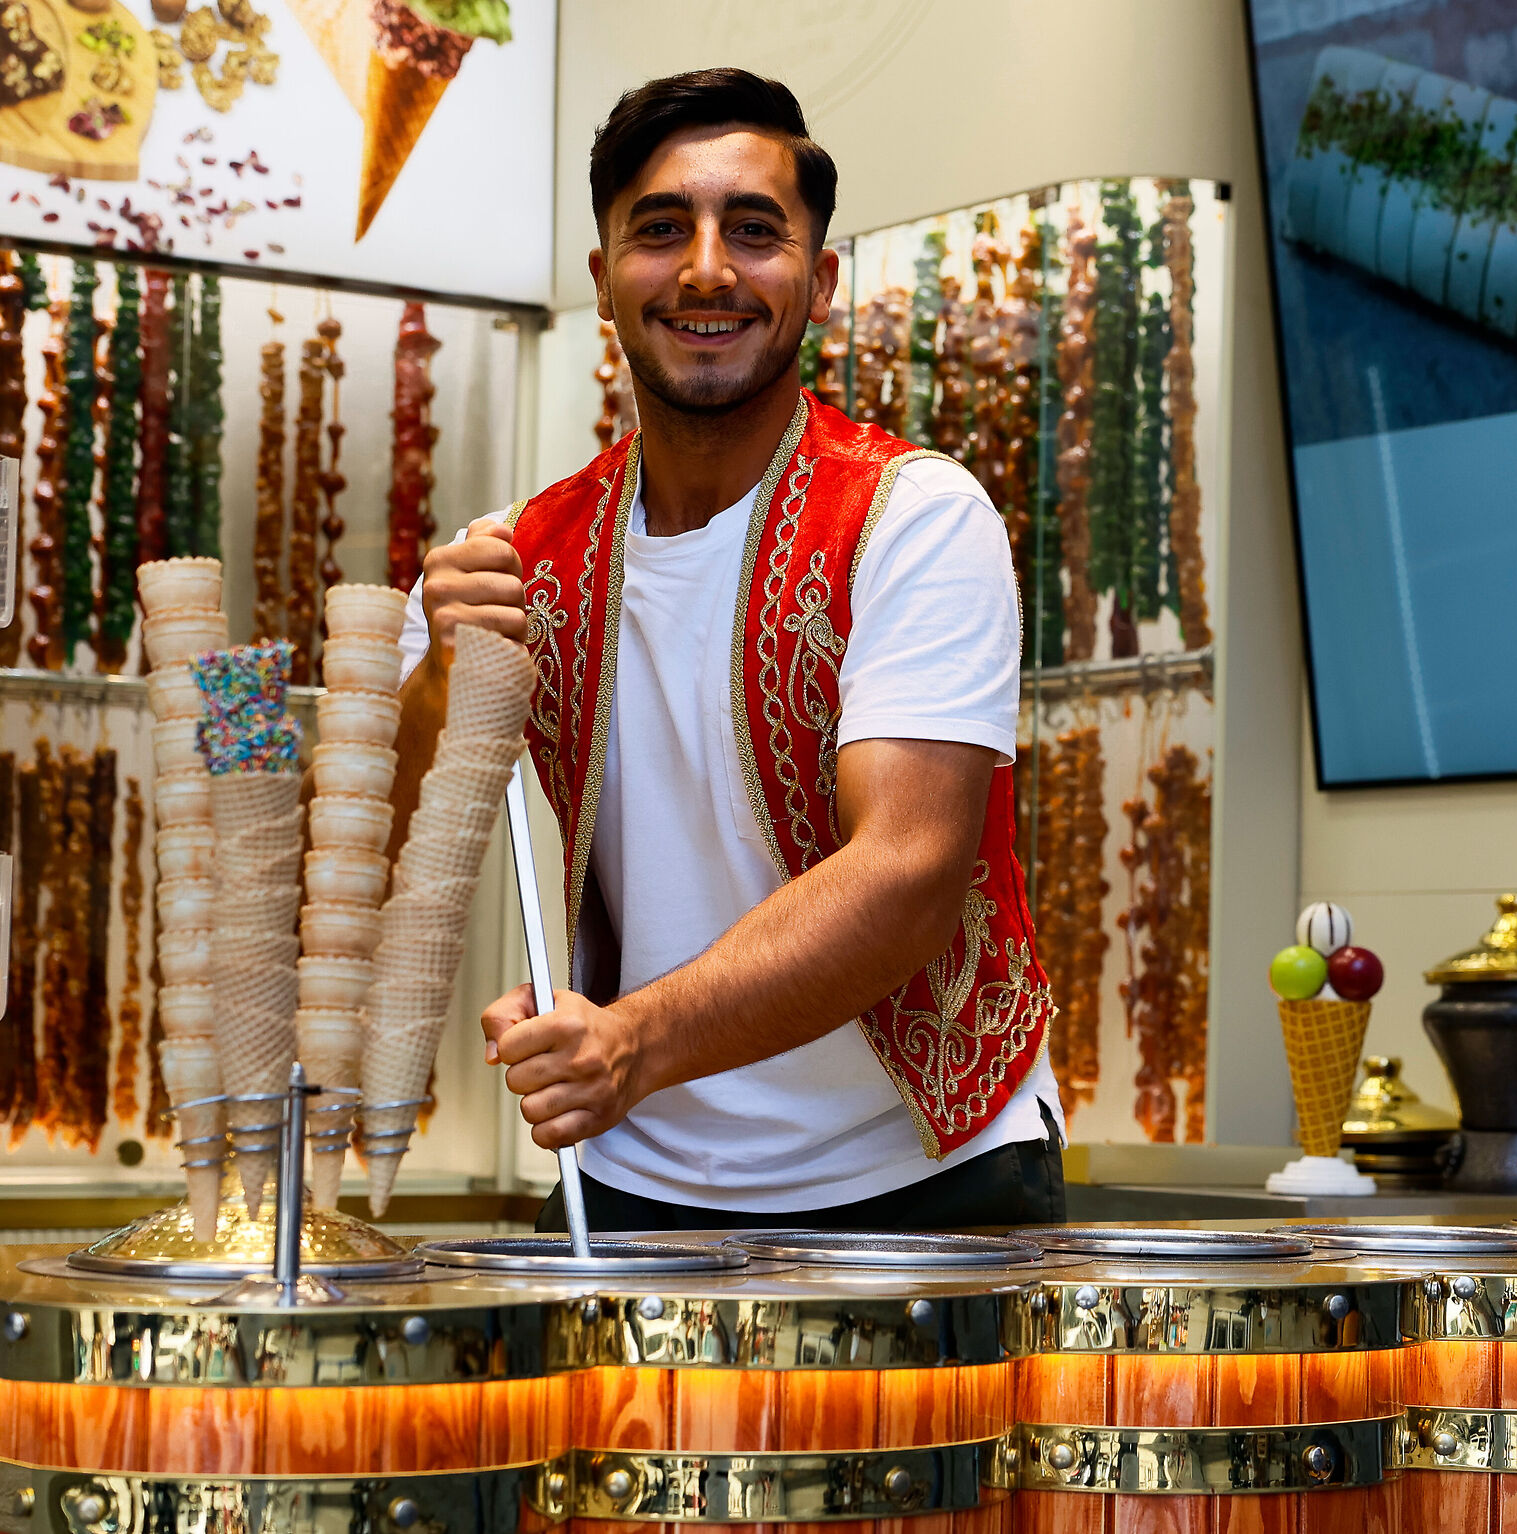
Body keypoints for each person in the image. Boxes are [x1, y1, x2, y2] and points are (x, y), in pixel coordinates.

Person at [389, 68, 1063, 1231]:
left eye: (754, 230)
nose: (706, 269)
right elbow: (366, 876)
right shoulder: (505, 561)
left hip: (921, 1177)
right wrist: (437, 684)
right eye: (661, 230)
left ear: (822, 281)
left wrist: (632, 1039)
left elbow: (907, 872)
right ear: (603, 280)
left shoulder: (913, 517)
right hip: (627, 1174)